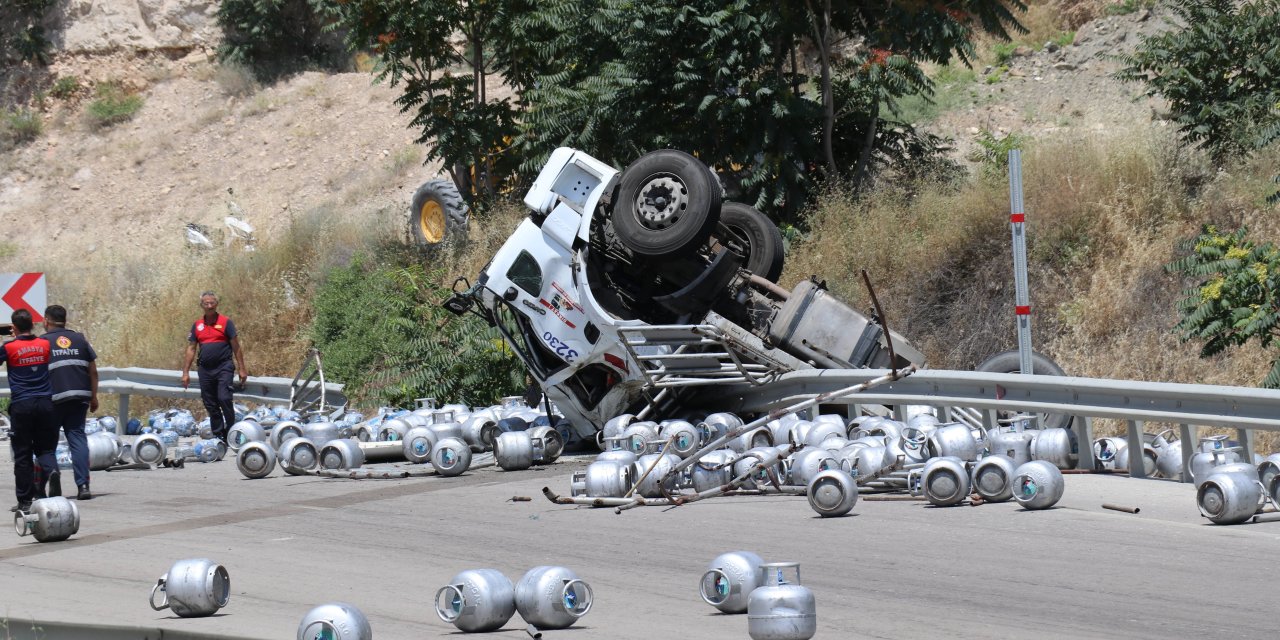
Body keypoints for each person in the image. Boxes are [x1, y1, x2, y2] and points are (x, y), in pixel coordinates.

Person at [1, 309, 58, 512]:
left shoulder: (9, 347)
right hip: (45, 402)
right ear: (33, 325)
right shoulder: (44, 344)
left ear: (14, 327)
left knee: (23, 454)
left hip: (22, 405)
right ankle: (51, 471)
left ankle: (25, 500)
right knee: (45, 449)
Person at [42, 305, 99, 500]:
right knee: (77, 439)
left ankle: (52, 476)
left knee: (47, 443)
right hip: (80, 397)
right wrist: (94, 396)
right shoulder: (79, 339)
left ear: (46, 321)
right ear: (65, 320)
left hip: (54, 399)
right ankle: (83, 486)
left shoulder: (43, 342)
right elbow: (93, 371)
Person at [181, 291, 247, 443]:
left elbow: (236, 346)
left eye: (212, 303)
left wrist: (242, 369)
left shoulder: (226, 322)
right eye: (206, 303)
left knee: (224, 398)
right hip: (205, 369)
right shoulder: (197, 326)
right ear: (201, 305)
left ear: (216, 304)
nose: (209, 306)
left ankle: (232, 432)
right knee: (209, 402)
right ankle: (219, 435)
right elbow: (191, 349)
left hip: (224, 366)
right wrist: (185, 372)